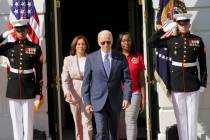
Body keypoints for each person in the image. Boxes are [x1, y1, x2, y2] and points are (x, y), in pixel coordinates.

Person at [148, 13, 207, 140]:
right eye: (181, 24)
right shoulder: (171, 40)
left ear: (189, 25)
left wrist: (203, 83)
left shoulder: (197, 40)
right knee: (181, 118)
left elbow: (202, 63)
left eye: (186, 23)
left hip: (193, 84)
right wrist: (164, 29)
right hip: (177, 83)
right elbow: (151, 42)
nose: (184, 26)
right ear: (178, 25)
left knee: (192, 117)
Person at [82, 30, 132, 140]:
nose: (106, 45)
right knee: (101, 132)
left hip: (115, 101)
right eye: (103, 42)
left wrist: (127, 98)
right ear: (98, 42)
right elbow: (86, 82)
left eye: (108, 42)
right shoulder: (91, 58)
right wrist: (87, 102)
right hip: (98, 101)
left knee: (114, 134)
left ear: (112, 42)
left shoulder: (120, 57)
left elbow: (127, 80)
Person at [0, 19, 43, 140]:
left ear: (27, 30)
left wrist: (38, 93)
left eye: (23, 30)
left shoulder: (35, 48)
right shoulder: (10, 47)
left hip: (29, 89)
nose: (21, 33)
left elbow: (39, 72)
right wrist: (4, 34)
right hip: (13, 88)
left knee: (28, 122)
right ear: (15, 32)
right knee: (16, 121)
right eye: (18, 31)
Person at [61, 35, 93, 140]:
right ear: (75, 46)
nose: (81, 46)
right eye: (78, 44)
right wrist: (66, 92)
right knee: (78, 123)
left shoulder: (91, 58)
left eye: (83, 44)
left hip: (88, 93)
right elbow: (65, 79)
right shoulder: (68, 59)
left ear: (86, 46)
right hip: (74, 93)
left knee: (87, 122)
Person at [115, 32, 146, 140]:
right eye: (123, 41)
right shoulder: (115, 57)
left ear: (132, 42)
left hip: (134, 92)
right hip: (118, 94)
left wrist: (143, 98)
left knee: (131, 120)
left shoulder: (138, 57)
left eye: (128, 40)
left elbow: (142, 80)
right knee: (118, 121)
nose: (126, 43)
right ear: (120, 42)